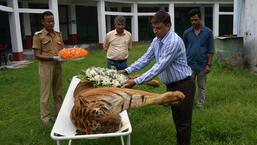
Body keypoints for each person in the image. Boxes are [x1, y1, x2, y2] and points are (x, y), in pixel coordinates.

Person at [123, 10, 196, 145]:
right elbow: (145, 58)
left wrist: (136, 81)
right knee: (178, 120)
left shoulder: (173, 42)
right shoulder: (157, 40)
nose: (155, 31)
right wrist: (126, 71)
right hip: (172, 85)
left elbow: (159, 66)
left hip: (184, 84)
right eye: (153, 28)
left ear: (168, 26)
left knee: (183, 124)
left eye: (159, 28)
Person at [32, 11, 64, 125]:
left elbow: (62, 51)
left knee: (58, 92)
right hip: (46, 66)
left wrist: (66, 55)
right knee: (45, 93)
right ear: (42, 22)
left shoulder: (58, 34)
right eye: (48, 21)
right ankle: (45, 118)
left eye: (52, 21)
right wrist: (53, 58)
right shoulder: (38, 36)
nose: (51, 23)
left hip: (58, 66)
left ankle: (59, 114)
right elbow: (36, 55)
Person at [183, 9, 214, 108]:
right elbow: (183, 49)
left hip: (202, 65)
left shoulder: (208, 32)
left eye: (195, 20)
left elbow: (211, 50)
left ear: (200, 18)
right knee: (189, 87)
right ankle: (189, 104)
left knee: (202, 86)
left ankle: (200, 104)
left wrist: (208, 65)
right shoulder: (187, 33)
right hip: (189, 65)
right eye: (191, 20)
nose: (193, 22)